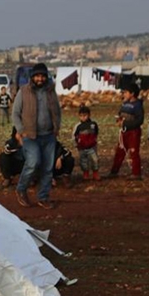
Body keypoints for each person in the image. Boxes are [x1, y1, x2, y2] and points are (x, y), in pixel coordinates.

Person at [12, 62, 62, 209]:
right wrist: (21, 130)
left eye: (42, 76)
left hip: (49, 135)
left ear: (46, 77)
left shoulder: (51, 91)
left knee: (48, 168)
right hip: (30, 135)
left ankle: (43, 197)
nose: (40, 79)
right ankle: (21, 189)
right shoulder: (24, 91)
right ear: (32, 77)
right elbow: (15, 113)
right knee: (33, 163)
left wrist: (57, 127)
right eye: (37, 76)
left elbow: (57, 111)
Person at [108, 82, 144, 180]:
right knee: (120, 151)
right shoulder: (125, 103)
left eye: (126, 92)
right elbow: (120, 113)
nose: (124, 94)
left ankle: (136, 173)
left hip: (133, 132)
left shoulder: (137, 105)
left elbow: (140, 120)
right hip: (124, 132)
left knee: (133, 152)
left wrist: (125, 124)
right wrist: (119, 120)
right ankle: (114, 172)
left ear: (132, 93)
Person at [73, 106, 101, 181]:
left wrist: (93, 141)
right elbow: (75, 136)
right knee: (83, 161)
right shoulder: (78, 126)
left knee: (95, 160)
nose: (83, 117)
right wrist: (77, 144)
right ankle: (86, 173)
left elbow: (96, 133)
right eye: (81, 116)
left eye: (85, 115)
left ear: (89, 115)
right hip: (82, 147)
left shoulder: (93, 124)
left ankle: (95, 173)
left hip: (92, 147)